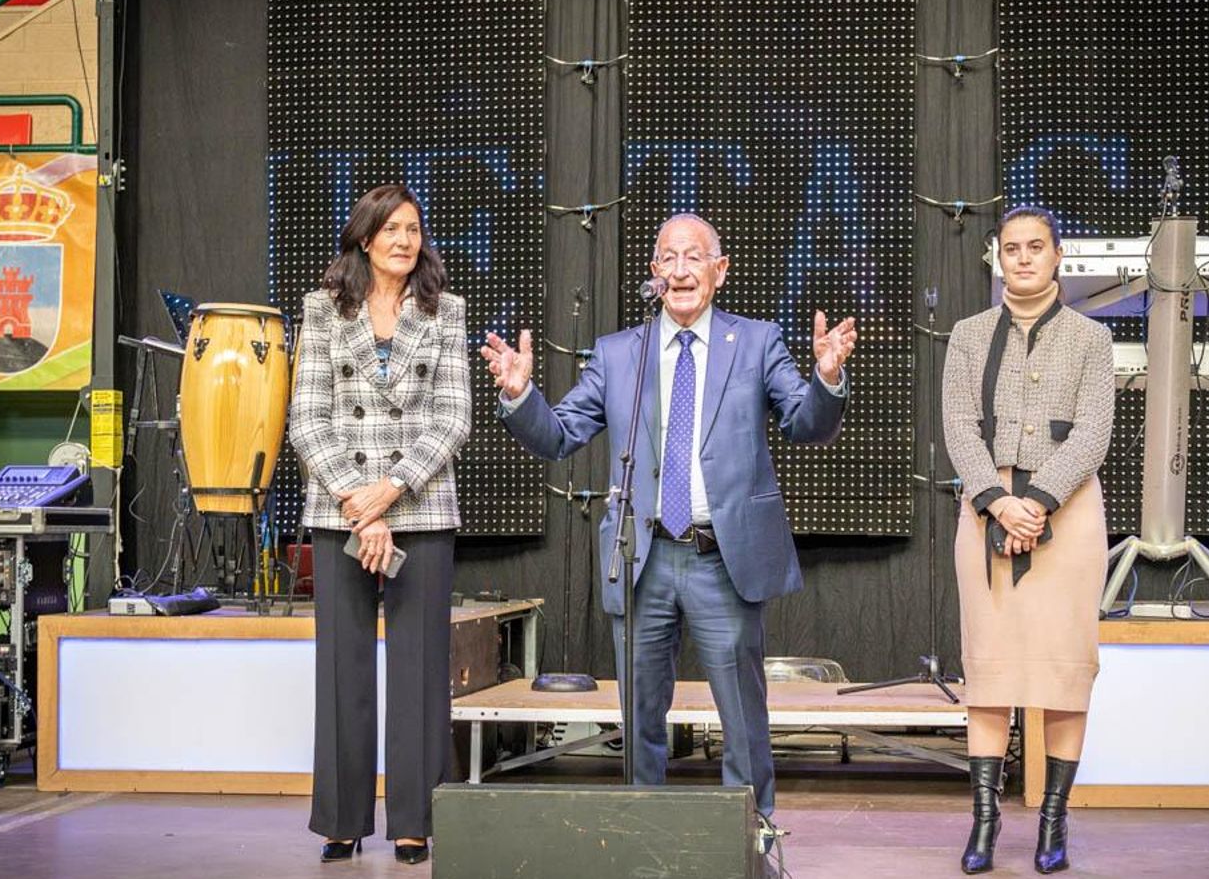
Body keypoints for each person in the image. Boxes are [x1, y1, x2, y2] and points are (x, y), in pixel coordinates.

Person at [479, 212, 857, 829]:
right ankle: (642, 837)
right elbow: (561, 435)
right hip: (642, 558)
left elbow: (805, 424)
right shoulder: (618, 353)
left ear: (720, 270)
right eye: (669, 259)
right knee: (640, 719)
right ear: (654, 273)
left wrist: (827, 377)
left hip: (722, 559)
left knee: (742, 717)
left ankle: (752, 839)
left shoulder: (757, 342)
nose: (681, 270)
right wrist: (522, 396)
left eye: (694, 257)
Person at [289, 184, 472, 866]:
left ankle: (413, 822)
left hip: (420, 509)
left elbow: (453, 418)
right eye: (391, 228)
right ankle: (340, 820)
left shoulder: (444, 311)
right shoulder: (322, 310)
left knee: (421, 674)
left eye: (414, 228)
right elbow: (307, 419)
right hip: (340, 514)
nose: (404, 239)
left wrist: (388, 495)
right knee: (343, 670)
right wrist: (356, 504)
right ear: (365, 238)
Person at [942, 205, 1114, 874]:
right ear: (996, 258)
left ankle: (1053, 826)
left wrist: (1036, 504)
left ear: (1057, 255)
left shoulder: (1089, 339)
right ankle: (984, 825)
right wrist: (997, 502)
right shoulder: (968, 334)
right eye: (1010, 248)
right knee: (990, 672)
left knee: (1063, 672)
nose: (1022, 258)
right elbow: (959, 425)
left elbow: (1094, 433)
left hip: (1066, 516)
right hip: (985, 509)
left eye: (1034, 246)